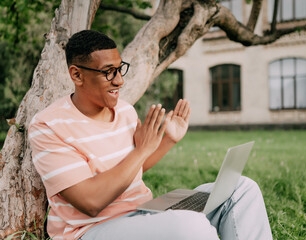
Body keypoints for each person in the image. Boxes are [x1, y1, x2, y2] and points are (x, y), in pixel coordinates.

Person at [29, 30, 272, 240]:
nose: (120, 80)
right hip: (94, 230)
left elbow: (133, 169)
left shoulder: (123, 110)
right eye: (108, 72)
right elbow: (90, 202)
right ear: (77, 75)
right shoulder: (48, 126)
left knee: (241, 189)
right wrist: (142, 149)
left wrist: (167, 140)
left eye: (120, 69)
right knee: (190, 225)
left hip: (145, 211)